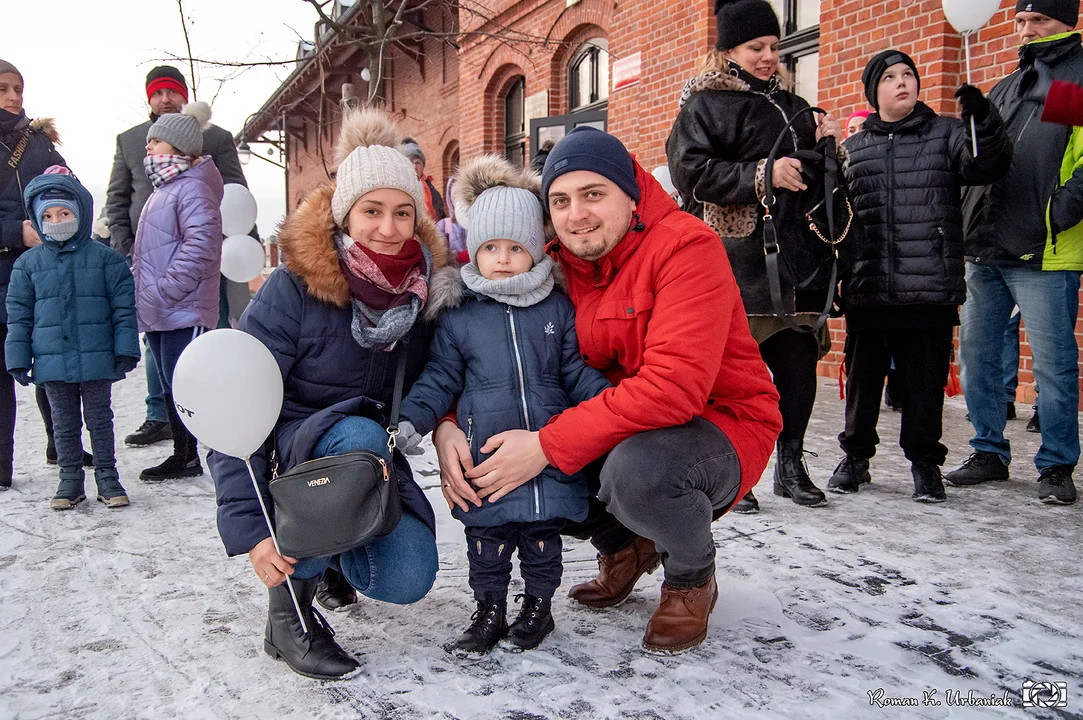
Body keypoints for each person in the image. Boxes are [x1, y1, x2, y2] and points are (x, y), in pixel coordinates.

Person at [431, 126, 783, 654]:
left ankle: (691, 578)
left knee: (632, 472)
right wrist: (451, 425)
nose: (578, 214)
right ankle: (627, 545)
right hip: (618, 419)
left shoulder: (687, 248)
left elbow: (673, 390)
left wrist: (546, 445)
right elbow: (504, 349)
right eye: (561, 200)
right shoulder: (554, 265)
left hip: (719, 424)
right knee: (523, 455)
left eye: (594, 194)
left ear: (630, 192)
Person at [208, 108, 451, 679]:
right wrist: (251, 531)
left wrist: (433, 421)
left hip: (373, 458)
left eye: (402, 213)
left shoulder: (426, 296)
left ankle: (336, 552)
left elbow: (446, 375)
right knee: (357, 432)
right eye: (372, 211)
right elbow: (231, 405)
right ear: (345, 213)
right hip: (302, 451)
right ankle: (289, 613)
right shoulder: (294, 288)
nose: (388, 228)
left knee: (407, 578)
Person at [396, 155, 610, 656]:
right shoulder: (461, 316)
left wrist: (611, 404)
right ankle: (488, 609)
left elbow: (574, 370)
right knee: (487, 545)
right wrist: (411, 419)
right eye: (491, 247)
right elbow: (440, 378)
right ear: (474, 251)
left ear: (535, 251)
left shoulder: (556, 308)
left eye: (516, 248)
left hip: (545, 451)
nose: (502, 258)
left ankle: (538, 607)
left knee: (541, 543)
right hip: (486, 456)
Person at [666, 0, 843, 513]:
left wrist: (829, 148)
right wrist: (761, 175)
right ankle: (730, 472)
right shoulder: (703, 105)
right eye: (755, 48)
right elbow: (690, 176)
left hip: (794, 254)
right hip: (736, 257)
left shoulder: (792, 104)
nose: (768, 57)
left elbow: (816, 181)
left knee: (796, 363)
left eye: (773, 47)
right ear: (729, 50)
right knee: (730, 376)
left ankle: (791, 466)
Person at [829, 50, 1012, 503]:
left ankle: (925, 464)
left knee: (924, 382)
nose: (901, 83)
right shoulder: (852, 150)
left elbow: (986, 165)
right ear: (874, 92)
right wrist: (837, 278)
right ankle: (855, 457)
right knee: (863, 379)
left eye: (908, 74)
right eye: (889, 77)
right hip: (869, 287)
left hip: (927, 285)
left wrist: (983, 120)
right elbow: (840, 224)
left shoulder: (947, 133)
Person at [950, 0, 1083, 505]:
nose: (1026, 30)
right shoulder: (1011, 83)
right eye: (1021, 21)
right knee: (977, 356)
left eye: (1038, 21)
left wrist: (1055, 213)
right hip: (987, 244)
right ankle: (989, 450)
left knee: (1053, 363)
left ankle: (1055, 464)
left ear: (1067, 23)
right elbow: (988, 157)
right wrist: (977, 117)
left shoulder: (1074, 79)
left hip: (1043, 250)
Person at [105, 66, 251, 449]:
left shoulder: (212, 143)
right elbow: (118, 198)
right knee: (161, 356)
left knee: (196, 351)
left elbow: (233, 192)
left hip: (189, 273)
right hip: (148, 265)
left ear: (184, 95)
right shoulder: (132, 140)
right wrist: (126, 248)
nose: (165, 98)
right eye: (158, 93)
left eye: (173, 91)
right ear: (149, 98)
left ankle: (204, 427)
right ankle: (160, 417)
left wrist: (239, 243)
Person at [6, 167, 139, 509]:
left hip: (97, 359)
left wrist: (125, 348)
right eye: (48, 215)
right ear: (37, 220)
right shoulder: (27, 265)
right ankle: (70, 479)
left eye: (64, 213)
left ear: (79, 214)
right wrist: (17, 357)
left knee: (99, 420)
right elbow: (18, 317)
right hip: (51, 361)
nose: (57, 220)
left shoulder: (106, 261)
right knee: (63, 425)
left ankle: (108, 477)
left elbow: (123, 309)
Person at [0, 59, 82, 491]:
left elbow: (72, 189)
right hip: (2, 267)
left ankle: (63, 445)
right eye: (3, 90)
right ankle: (0, 465)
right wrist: (18, 231)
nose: (14, 98)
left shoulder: (39, 143)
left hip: (43, 271)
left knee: (51, 358)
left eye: (19, 88)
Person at [133, 102, 224, 482]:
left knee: (187, 385)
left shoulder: (191, 187)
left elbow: (201, 243)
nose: (148, 148)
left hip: (180, 307)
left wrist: (167, 289)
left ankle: (208, 453)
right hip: (161, 309)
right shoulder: (167, 187)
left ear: (180, 148)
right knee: (173, 385)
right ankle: (183, 455)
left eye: (156, 141)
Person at [400, 138, 447, 220]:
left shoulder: (432, 190)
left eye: (418, 163)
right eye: (410, 162)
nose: (414, 167)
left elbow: (440, 215)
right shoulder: (397, 185)